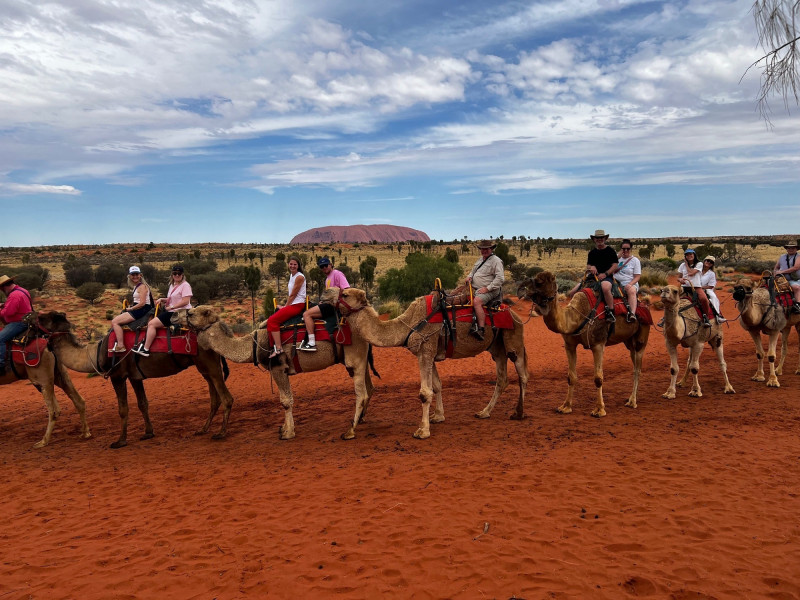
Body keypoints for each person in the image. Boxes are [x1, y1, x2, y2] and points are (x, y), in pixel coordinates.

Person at [133, 265, 192, 357]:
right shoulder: (172, 285)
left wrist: (171, 307)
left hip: (178, 312)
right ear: (172, 274)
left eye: (179, 273)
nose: (177, 275)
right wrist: (162, 299)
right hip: (172, 310)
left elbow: (186, 301)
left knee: (151, 324)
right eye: (174, 273)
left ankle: (146, 349)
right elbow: (171, 298)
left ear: (182, 275)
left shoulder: (185, 285)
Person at [298, 257, 349, 352]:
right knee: (310, 310)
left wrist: (335, 300)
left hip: (334, 306)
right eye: (322, 267)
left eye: (326, 265)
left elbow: (346, 289)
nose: (324, 268)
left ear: (330, 265)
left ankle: (311, 342)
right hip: (329, 304)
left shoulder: (337, 274)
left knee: (306, 314)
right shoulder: (327, 279)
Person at [568, 229, 618, 323]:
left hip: (606, 276)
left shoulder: (610, 251)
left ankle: (610, 311)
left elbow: (615, 265)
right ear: (594, 239)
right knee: (572, 292)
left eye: (601, 238)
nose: (599, 239)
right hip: (592, 277)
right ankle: (575, 313)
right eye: (597, 238)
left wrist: (606, 274)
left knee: (605, 288)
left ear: (605, 238)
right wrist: (592, 267)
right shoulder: (592, 253)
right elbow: (588, 265)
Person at [266, 256, 307, 358]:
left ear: (298, 266)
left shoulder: (299, 277)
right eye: (291, 264)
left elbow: (293, 295)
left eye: (295, 264)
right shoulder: (292, 276)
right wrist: (285, 306)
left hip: (297, 305)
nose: (292, 266)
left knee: (272, 321)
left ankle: (279, 348)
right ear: (288, 264)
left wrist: (285, 307)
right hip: (293, 304)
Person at [465, 239, 504, 341]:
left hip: (491, 290)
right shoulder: (480, 260)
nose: (484, 251)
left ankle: (481, 329)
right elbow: (472, 272)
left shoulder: (496, 261)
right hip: (475, 288)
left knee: (477, 302)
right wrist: (469, 277)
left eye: (486, 249)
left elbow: (500, 278)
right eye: (482, 249)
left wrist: (487, 289)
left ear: (491, 249)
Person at [110, 266, 154, 352]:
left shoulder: (142, 287)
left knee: (115, 322)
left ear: (140, 275)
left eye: (136, 274)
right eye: (133, 275)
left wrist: (131, 308)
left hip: (142, 309)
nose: (135, 276)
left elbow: (142, 303)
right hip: (140, 308)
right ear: (129, 276)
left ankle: (120, 345)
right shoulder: (137, 286)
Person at [0, 275, 33, 375]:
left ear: (4, 287)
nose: (2, 292)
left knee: (0, 339)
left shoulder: (14, 295)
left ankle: (0, 365)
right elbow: (14, 306)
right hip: (26, 320)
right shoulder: (22, 290)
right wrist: (4, 305)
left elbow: (9, 312)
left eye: (1, 289)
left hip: (18, 323)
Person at [677, 249, 712, 327]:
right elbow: (678, 277)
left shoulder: (699, 264)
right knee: (671, 299)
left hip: (696, 287)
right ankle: (668, 318)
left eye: (690, 254)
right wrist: (681, 279)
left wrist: (686, 263)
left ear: (694, 255)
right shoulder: (682, 265)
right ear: (685, 256)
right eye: (687, 255)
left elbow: (691, 273)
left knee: (704, 299)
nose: (689, 256)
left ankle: (706, 317)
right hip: (684, 287)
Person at [613, 239, 641, 323]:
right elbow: (607, 266)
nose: (625, 251)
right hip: (615, 282)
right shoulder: (616, 258)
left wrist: (630, 284)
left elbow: (637, 277)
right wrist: (617, 257)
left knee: (632, 291)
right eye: (623, 249)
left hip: (629, 282)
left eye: (627, 249)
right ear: (621, 249)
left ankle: (632, 313)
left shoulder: (635, 260)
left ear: (631, 249)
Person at [773, 239, 800, 311]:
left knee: (796, 287)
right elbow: (776, 267)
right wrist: (775, 273)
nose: (790, 249)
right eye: (789, 248)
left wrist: (782, 272)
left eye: (793, 248)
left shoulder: (798, 257)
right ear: (786, 249)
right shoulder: (782, 257)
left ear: (796, 249)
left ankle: (798, 305)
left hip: (794, 279)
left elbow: (796, 268)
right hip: (781, 279)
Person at [699, 255, 723, 321]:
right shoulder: (697, 270)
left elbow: (711, 286)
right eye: (707, 260)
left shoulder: (712, 274)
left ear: (712, 264)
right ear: (704, 261)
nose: (708, 262)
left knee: (713, 297)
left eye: (711, 262)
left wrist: (701, 287)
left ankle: (718, 315)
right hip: (693, 287)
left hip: (706, 289)